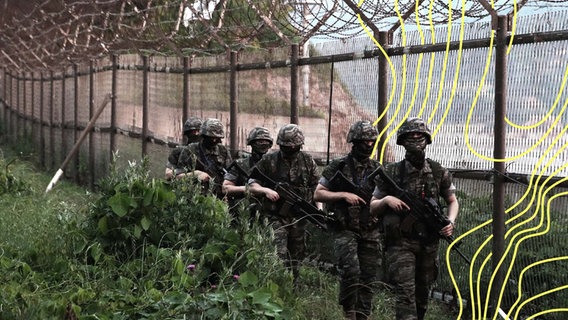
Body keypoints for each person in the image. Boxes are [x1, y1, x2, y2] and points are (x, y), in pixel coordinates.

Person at [369, 117, 459, 320]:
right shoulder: (392, 172)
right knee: (405, 294)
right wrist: (387, 201)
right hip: (401, 243)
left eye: (420, 136)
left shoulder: (438, 171)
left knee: (422, 295)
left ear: (427, 140)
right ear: (403, 141)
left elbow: (452, 201)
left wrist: (450, 222)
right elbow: (373, 206)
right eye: (411, 136)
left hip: (429, 243)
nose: (416, 139)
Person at [313, 120, 382, 320]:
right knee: (351, 271)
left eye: (371, 141)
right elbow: (318, 194)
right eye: (364, 141)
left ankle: (363, 315)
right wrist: (343, 195)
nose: (368, 145)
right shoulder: (339, 166)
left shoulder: (377, 169)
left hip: (370, 228)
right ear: (354, 142)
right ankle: (349, 313)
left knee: (368, 275)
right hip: (344, 228)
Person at [248, 124, 320, 282]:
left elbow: (317, 188)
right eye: (285, 146)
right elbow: (252, 183)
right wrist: (266, 191)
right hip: (275, 217)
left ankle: (293, 288)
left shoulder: (307, 161)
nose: (289, 150)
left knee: (296, 257)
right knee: (277, 254)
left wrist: (318, 211)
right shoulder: (269, 160)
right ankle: (274, 287)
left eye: (292, 146)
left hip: (299, 218)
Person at [173, 118, 232, 198]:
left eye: (217, 138)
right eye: (211, 137)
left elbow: (231, 175)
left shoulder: (223, 151)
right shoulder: (190, 150)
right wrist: (195, 174)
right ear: (203, 136)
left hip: (219, 197)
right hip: (195, 197)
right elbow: (177, 177)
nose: (214, 140)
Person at [222, 127, 273, 217]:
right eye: (260, 141)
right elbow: (226, 188)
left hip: (268, 213)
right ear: (252, 143)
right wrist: (248, 189)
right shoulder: (241, 164)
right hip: (244, 212)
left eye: (266, 142)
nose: (263, 144)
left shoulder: (274, 164)